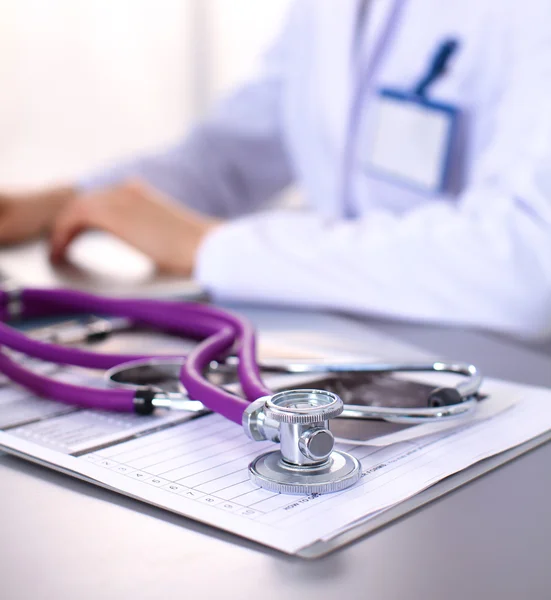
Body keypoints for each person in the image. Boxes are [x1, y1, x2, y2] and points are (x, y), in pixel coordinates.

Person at [1, 0, 551, 339]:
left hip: (507, 363)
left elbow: (526, 263)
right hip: (363, 334)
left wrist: (214, 248)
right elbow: (242, 144)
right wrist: (72, 202)